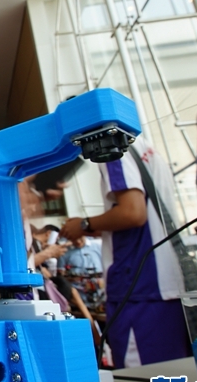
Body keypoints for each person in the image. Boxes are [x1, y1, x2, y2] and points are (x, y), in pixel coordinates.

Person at [61, 138, 190, 368]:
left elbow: (132, 212)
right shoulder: (146, 148)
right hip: (163, 285)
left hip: (138, 285)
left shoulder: (110, 144)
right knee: (173, 380)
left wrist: (83, 224)